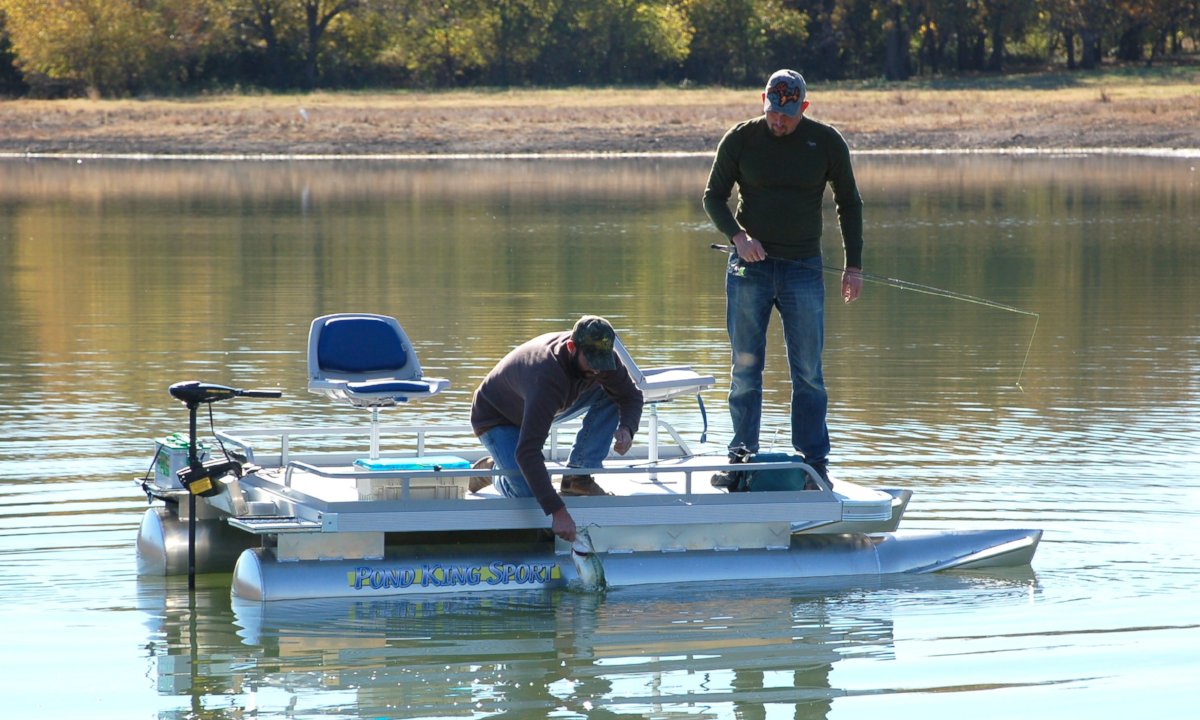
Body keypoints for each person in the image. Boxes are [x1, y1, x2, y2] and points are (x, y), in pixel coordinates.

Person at [702, 69, 864, 483]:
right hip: (747, 270)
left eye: (787, 115)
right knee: (744, 369)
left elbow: (849, 201)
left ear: (803, 108)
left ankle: (814, 462)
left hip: (804, 270)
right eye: (773, 112)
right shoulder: (741, 138)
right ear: (764, 101)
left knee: (808, 369)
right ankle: (740, 459)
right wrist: (738, 237)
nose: (779, 121)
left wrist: (853, 265)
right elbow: (713, 197)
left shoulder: (825, 142)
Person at [470, 315, 644, 542]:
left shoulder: (603, 360)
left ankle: (577, 477)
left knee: (613, 393)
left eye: (602, 360)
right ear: (572, 347)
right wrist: (558, 512)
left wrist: (627, 428)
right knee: (530, 496)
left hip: (539, 403)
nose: (598, 369)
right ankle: (494, 471)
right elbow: (528, 452)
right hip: (496, 415)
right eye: (591, 360)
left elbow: (631, 396)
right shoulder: (547, 376)